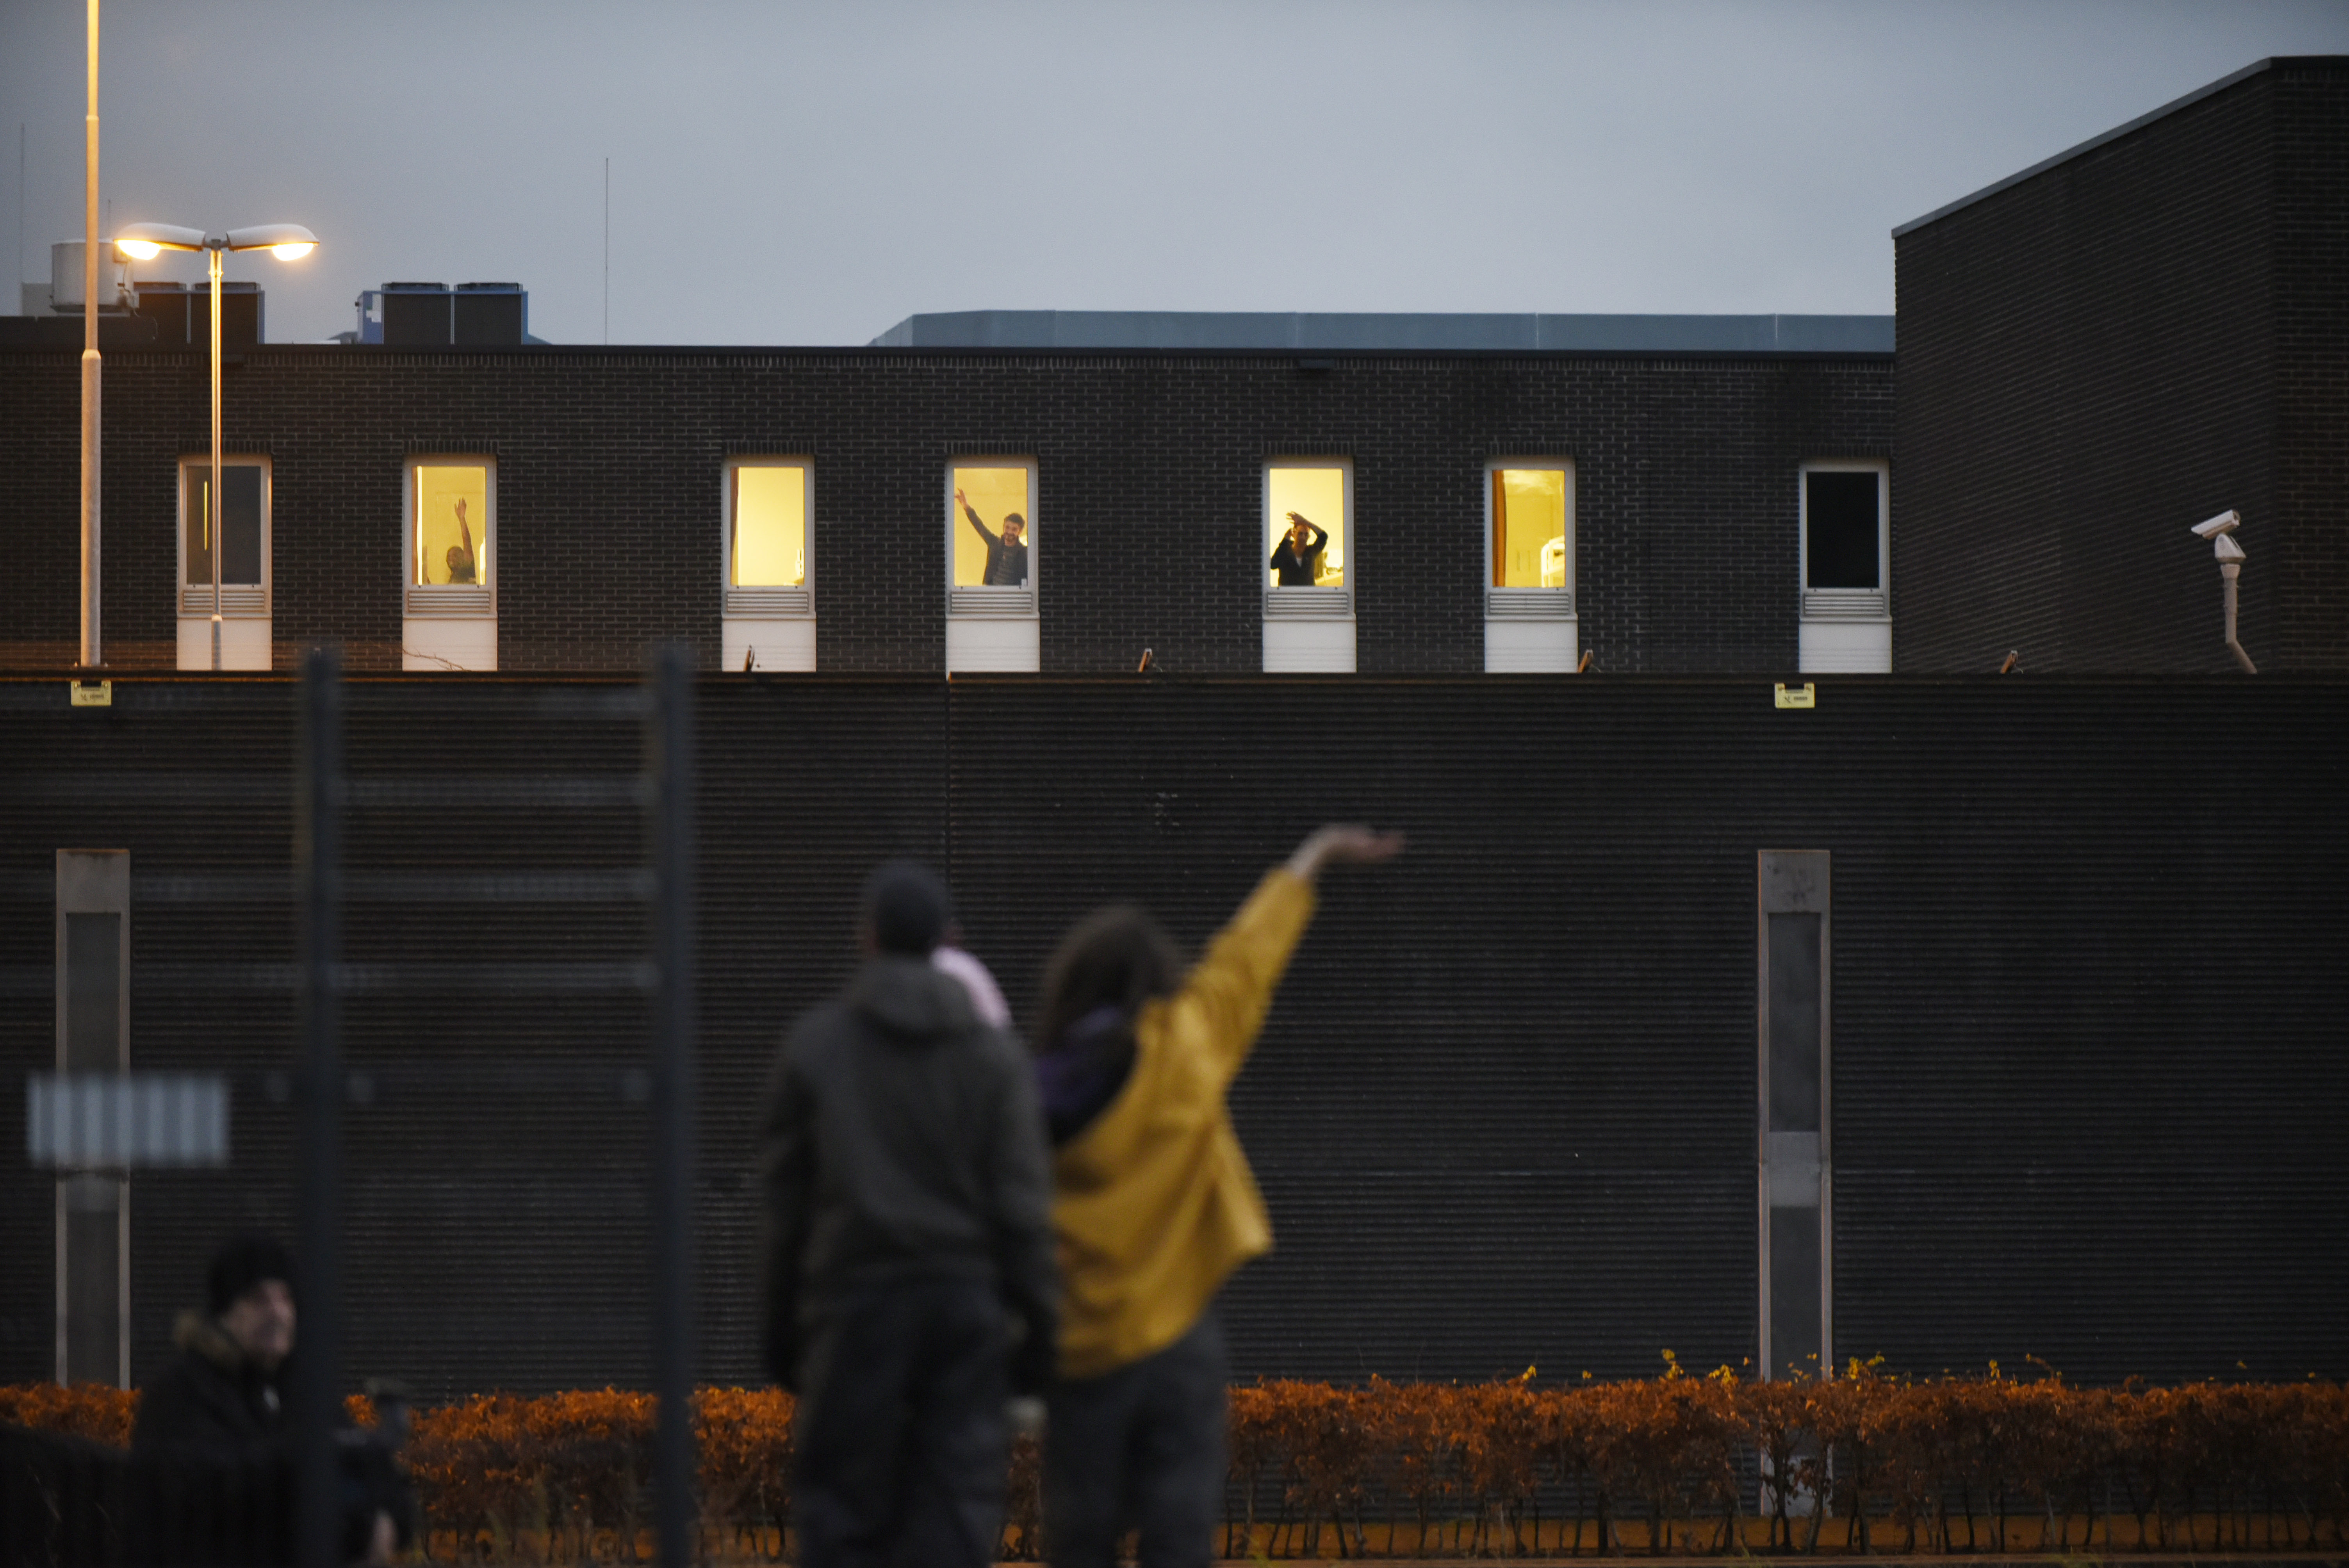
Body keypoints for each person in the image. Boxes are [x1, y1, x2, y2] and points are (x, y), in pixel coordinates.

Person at [1032, 823, 1403, 1568]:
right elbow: (1245, 960)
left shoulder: (1029, 1091)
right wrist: (1313, 857)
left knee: (1079, 1536)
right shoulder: (1188, 1045)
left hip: (1080, 1352)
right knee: (1179, 1534)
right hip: (1177, 1343)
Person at [758, 859, 1059, 1568]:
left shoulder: (816, 1049)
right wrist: (1040, 1343)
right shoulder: (994, 1061)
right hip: (963, 1317)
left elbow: (784, 1210)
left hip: (854, 1310)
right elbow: (1024, 1214)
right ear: (948, 940)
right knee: (952, 1518)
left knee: (842, 1520)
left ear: (867, 937)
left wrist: (783, 1342)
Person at [132, 1232, 410, 1567]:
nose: (277, 1312)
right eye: (258, 1299)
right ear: (224, 1313)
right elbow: (208, 1497)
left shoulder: (302, 1391)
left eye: (286, 1299)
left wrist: (384, 1520)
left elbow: (384, 1483)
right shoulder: (183, 1392)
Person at [957, 486, 1030, 587]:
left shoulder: (1023, 552)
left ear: (1020, 531)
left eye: (1014, 529)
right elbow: (979, 526)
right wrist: (966, 506)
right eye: (1007, 527)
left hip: (1012, 595)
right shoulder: (995, 543)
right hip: (991, 592)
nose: (1009, 532)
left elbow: (1026, 578)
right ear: (1003, 527)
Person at [1269, 512, 1328, 586]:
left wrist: (1305, 521)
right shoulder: (1285, 551)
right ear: (1294, 534)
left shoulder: (1311, 552)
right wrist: (1285, 541)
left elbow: (1324, 537)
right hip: (1287, 593)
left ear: (1309, 536)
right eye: (1300, 534)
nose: (1303, 537)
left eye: (1306, 534)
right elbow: (1273, 565)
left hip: (1307, 593)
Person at [442, 496, 478, 584]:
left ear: (463, 558)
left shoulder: (468, 571)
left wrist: (462, 519)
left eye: (455, 555)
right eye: (449, 556)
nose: (451, 558)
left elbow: (467, 542)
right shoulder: (453, 577)